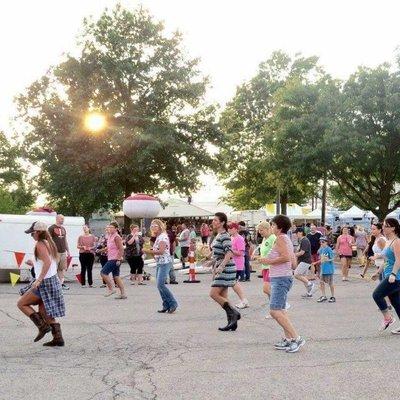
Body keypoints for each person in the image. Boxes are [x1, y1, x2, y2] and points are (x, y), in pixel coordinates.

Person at [17, 221, 65, 346]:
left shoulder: (40, 244)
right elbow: (50, 262)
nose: (31, 236)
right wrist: (35, 263)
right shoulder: (49, 242)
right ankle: (58, 338)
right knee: (44, 312)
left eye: (32, 233)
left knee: (22, 303)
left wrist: (39, 279)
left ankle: (42, 327)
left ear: (38, 232)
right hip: (52, 280)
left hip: (45, 282)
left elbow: (48, 262)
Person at [263, 215, 305, 353]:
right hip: (282, 277)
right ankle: (289, 339)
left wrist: (266, 261)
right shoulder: (286, 239)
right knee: (281, 310)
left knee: (274, 310)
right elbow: (292, 261)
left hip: (281, 278)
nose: (271, 227)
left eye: (273, 225)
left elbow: (286, 257)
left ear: (279, 227)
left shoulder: (280, 238)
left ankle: (297, 338)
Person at [209, 212, 241, 331]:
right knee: (223, 296)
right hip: (221, 266)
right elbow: (220, 253)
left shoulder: (225, 236)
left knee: (213, 294)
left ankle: (234, 313)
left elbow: (229, 252)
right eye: (213, 220)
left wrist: (221, 266)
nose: (213, 222)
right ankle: (232, 322)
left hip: (226, 268)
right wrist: (211, 261)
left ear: (222, 222)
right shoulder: (218, 235)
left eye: (216, 220)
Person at [371, 218, 400, 333]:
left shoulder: (397, 241)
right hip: (388, 273)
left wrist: (393, 273)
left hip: (395, 276)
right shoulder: (388, 241)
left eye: (386, 226)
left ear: (393, 228)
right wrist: (377, 272)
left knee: (377, 294)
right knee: (396, 302)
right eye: (383, 225)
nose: (383, 228)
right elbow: (387, 260)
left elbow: (398, 260)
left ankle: (388, 318)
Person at [144, 219, 178, 313]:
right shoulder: (158, 236)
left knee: (160, 284)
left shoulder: (162, 237)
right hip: (160, 262)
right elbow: (157, 250)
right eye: (152, 226)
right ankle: (166, 304)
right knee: (159, 285)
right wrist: (152, 251)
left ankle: (173, 303)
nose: (153, 227)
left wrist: (148, 251)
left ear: (160, 226)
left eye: (155, 226)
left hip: (165, 262)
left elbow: (161, 251)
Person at [254, 221, 276, 319]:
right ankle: (274, 310)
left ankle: (280, 304)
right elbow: (265, 253)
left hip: (271, 266)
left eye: (261, 230)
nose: (260, 232)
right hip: (265, 267)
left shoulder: (273, 238)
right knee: (268, 290)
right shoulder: (264, 238)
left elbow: (275, 252)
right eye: (259, 230)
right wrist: (258, 257)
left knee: (266, 289)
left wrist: (267, 260)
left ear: (268, 229)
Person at [100, 222, 127, 299]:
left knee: (103, 273)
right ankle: (123, 294)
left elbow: (121, 249)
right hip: (111, 257)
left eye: (111, 227)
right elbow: (109, 247)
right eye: (109, 227)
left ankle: (111, 289)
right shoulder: (110, 236)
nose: (109, 228)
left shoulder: (117, 237)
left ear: (116, 229)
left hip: (115, 259)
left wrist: (118, 259)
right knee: (116, 276)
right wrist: (102, 250)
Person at [227, 222, 249, 309]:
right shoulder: (231, 238)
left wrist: (231, 251)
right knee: (234, 283)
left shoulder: (239, 238)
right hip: (232, 263)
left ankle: (244, 300)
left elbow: (241, 252)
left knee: (234, 282)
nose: (229, 230)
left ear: (236, 229)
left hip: (237, 264)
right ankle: (243, 300)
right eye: (228, 228)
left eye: (231, 228)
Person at [48, 214, 71, 290]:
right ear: (57, 219)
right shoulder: (51, 228)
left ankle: (61, 284)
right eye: (61, 218)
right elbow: (48, 240)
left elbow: (65, 240)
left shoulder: (63, 229)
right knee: (54, 268)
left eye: (63, 219)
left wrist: (68, 251)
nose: (63, 220)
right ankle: (54, 284)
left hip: (63, 252)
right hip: (55, 252)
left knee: (62, 269)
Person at [312, 237, 336, 303]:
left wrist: (327, 259)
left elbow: (333, 258)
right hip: (323, 269)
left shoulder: (329, 249)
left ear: (326, 242)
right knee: (321, 282)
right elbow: (321, 259)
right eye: (320, 242)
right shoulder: (321, 249)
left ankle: (332, 296)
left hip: (329, 269)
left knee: (330, 283)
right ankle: (323, 295)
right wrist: (316, 262)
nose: (321, 243)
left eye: (323, 242)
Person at [294, 228, 315, 298]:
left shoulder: (305, 240)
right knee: (303, 277)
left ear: (301, 232)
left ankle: (310, 284)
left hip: (305, 261)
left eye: (296, 233)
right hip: (303, 261)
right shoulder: (301, 240)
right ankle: (309, 293)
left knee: (296, 274)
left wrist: (293, 255)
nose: (296, 235)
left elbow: (302, 252)